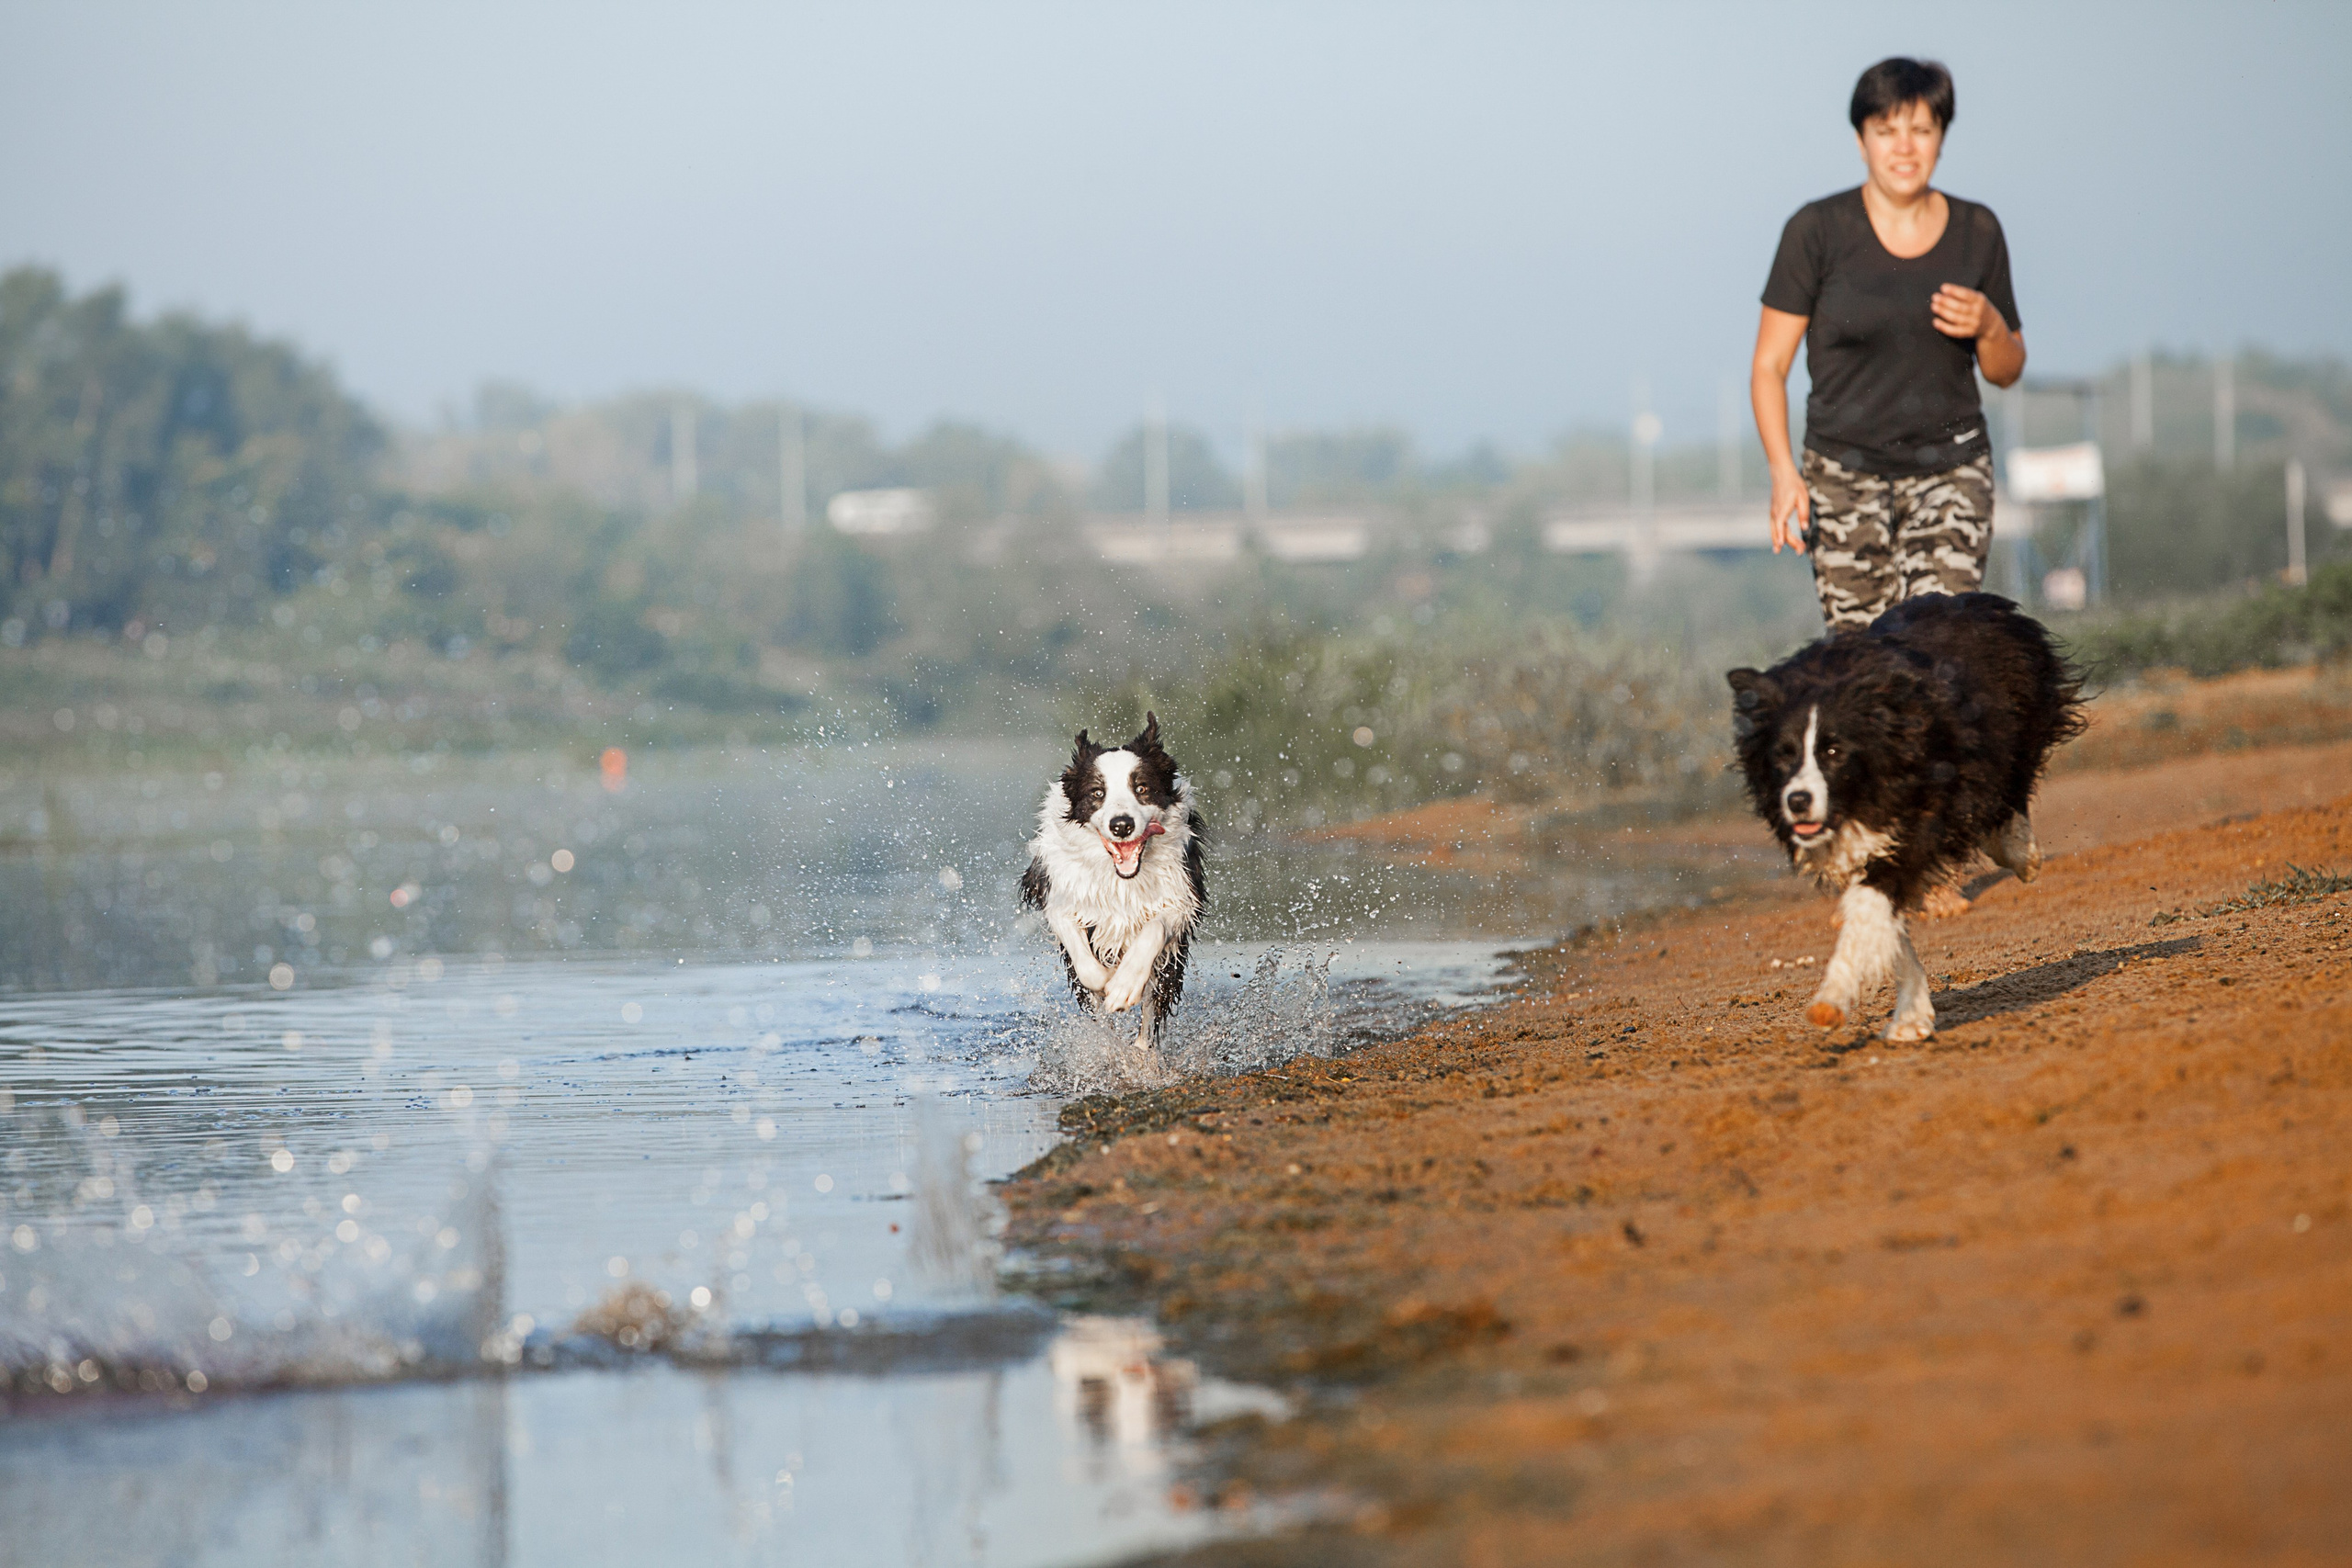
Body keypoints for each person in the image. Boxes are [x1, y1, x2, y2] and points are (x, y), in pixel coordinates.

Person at [1751, 57, 2025, 632]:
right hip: (1842, 476)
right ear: (1861, 141)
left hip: (1950, 470)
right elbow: (1769, 366)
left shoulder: (1977, 231)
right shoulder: (1816, 232)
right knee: (1862, 664)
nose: (1904, 148)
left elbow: (2006, 370)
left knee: (1937, 642)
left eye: (1921, 130)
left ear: (1942, 138)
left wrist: (1989, 326)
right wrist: (1783, 474)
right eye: (1886, 131)